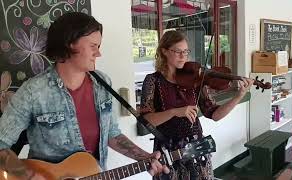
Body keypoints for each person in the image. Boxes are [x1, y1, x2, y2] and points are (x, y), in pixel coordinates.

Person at [0, 12, 169, 179]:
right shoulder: (33, 91)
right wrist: (30, 176)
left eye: (99, 47)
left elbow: (111, 133)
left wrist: (143, 157)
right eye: (93, 46)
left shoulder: (103, 83)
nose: (98, 53)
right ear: (69, 44)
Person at [139, 30, 254, 180]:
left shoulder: (194, 79)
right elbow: (146, 120)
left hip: (196, 148)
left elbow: (215, 114)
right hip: (168, 151)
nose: (183, 56)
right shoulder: (153, 81)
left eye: (186, 52)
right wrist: (174, 112)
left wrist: (239, 96)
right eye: (178, 51)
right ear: (164, 51)